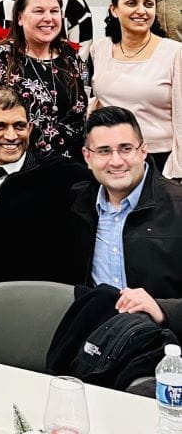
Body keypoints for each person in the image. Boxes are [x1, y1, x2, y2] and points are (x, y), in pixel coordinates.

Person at [0, 86, 89, 285]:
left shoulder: (57, 173)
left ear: (30, 129)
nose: (11, 136)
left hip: (38, 295)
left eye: (19, 126)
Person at [68, 106, 182, 335]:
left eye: (125, 149)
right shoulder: (75, 205)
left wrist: (163, 309)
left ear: (143, 151)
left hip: (164, 346)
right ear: (87, 157)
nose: (116, 161)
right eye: (104, 151)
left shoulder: (178, 206)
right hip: (95, 341)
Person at [0, 0, 87, 162]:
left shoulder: (70, 57)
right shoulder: (1, 58)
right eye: (39, 11)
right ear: (19, 18)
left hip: (71, 167)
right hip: (19, 167)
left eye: (54, 11)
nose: (48, 18)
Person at [90, 0, 182, 177]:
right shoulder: (100, 49)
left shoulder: (175, 53)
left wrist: (178, 171)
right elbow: (97, 103)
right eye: (132, 3)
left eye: (148, 4)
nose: (141, 11)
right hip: (111, 160)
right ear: (114, 9)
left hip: (161, 162)